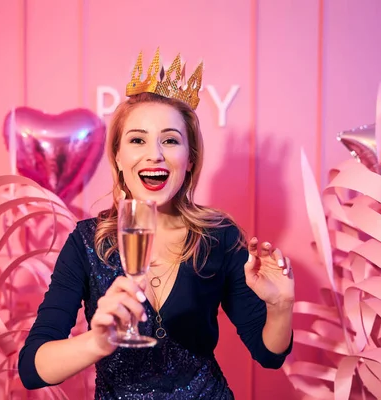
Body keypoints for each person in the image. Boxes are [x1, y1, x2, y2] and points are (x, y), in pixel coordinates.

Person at [18, 50, 294, 399]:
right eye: (137, 140)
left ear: (190, 159)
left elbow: (269, 354)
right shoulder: (86, 242)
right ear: (118, 156)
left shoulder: (219, 236)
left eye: (170, 140)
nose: (155, 154)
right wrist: (98, 342)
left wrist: (281, 306)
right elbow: (31, 368)